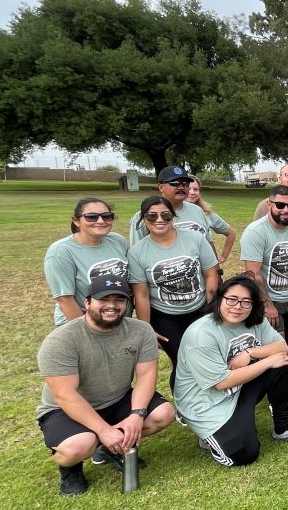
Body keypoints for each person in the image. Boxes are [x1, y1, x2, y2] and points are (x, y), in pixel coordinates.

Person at [36, 275, 175, 496]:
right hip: (67, 409)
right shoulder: (61, 340)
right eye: (104, 299)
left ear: (127, 303)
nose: (112, 305)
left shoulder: (141, 330)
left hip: (117, 398)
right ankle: (70, 468)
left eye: (119, 300)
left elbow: (147, 375)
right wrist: (104, 430)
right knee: (78, 446)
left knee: (163, 414)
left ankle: (108, 449)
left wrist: (137, 414)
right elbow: (65, 395)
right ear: (88, 303)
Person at [175, 276, 288, 467]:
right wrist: (266, 362)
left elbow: (281, 347)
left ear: (253, 305)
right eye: (231, 299)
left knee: (282, 362)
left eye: (246, 302)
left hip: (238, 387)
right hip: (207, 401)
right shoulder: (201, 334)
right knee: (243, 455)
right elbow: (222, 382)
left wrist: (249, 352)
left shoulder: (255, 321)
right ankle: (208, 435)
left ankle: (285, 428)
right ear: (219, 299)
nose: (237, 306)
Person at [129, 195, 219, 392]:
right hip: (165, 317)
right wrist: (147, 329)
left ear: (173, 216)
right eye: (152, 216)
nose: (159, 220)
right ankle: (184, 404)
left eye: (165, 215)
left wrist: (211, 309)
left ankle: (213, 395)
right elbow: (141, 295)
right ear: (143, 219)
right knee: (182, 359)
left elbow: (211, 275)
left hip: (200, 309)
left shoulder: (195, 239)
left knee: (208, 353)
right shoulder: (136, 252)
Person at [241, 185, 288, 392]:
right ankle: (276, 385)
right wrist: (267, 304)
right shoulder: (255, 232)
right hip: (269, 298)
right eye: (280, 205)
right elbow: (252, 273)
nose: (286, 210)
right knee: (278, 343)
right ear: (269, 204)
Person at [44, 197, 129, 326]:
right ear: (76, 221)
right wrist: (87, 331)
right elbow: (64, 299)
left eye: (106, 216)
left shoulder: (118, 241)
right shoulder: (60, 252)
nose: (100, 221)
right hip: (80, 321)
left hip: (116, 319)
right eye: (91, 217)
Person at [129, 166, 209, 245]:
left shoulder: (197, 210)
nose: (181, 187)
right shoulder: (144, 217)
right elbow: (138, 252)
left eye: (185, 183)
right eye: (175, 183)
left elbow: (208, 241)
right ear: (161, 187)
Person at [187, 175, 236, 273]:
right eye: (188, 189)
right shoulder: (169, 214)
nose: (192, 192)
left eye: (195, 189)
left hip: (207, 269)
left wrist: (222, 257)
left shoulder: (207, 213)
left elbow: (231, 233)